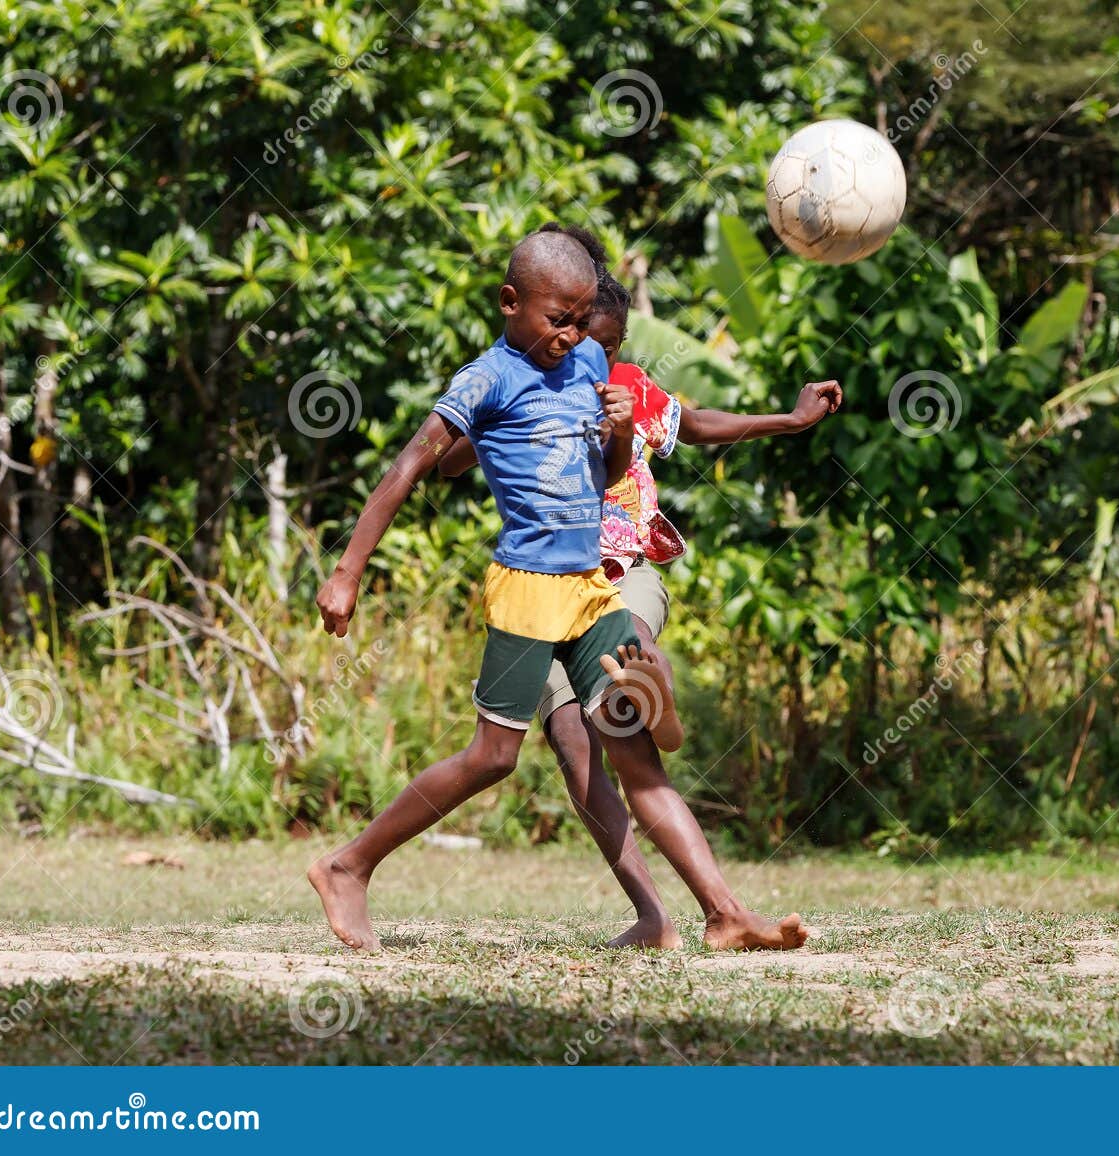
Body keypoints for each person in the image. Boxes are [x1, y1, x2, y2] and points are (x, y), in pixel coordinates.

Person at [307, 224, 808, 953]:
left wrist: (619, 432)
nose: (572, 335)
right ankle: (348, 865)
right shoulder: (487, 379)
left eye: (582, 320)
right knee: (494, 758)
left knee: (635, 750)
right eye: (558, 319)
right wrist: (348, 569)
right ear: (512, 303)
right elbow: (412, 466)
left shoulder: (588, 366)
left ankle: (725, 913)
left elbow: (605, 480)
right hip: (529, 586)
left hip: (590, 587)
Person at [440, 237, 841, 949]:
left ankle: (643, 681)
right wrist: (478, 432)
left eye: (608, 342)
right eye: (586, 335)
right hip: (543, 594)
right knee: (574, 745)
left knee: (627, 673)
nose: (597, 356)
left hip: (624, 572)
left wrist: (790, 420)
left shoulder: (627, 384)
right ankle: (655, 917)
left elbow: (700, 424)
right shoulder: (520, 383)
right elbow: (449, 455)